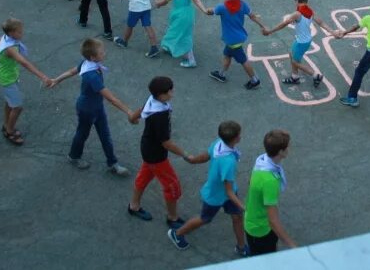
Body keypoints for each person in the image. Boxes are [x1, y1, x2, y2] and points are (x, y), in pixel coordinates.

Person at [51, 37, 137, 176]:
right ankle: (74, 156)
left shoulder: (86, 64)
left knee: (105, 135)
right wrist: (128, 111)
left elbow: (71, 72)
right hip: (88, 110)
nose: (105, 53)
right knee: (83, 133)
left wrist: (56, 80)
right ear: (93, 57)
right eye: (102, 52)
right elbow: (111, 98)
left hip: (95, 106)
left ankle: (112, 163)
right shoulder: (92, 76)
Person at [126, 76, 205, 225]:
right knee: (172, 186)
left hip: (148, 148)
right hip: (156, 155)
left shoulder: (153, 100)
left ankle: (134, 206)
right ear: (162, 95)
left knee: (144, 176)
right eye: (170, 90)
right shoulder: (159, 116)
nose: (172, 92)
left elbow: (141, 109)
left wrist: (132, 118)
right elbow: (166, 143)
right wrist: (186, 154)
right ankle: (172, 217)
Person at [167, 121, 249, 256]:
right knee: (205, 218)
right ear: (235, 139)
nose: (241, 136)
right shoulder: (228, 162)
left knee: (237, 217)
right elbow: (228, 191)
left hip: (224, 193)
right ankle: (177, 233)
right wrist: (244, 207)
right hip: (217, 196)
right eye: (239, 134)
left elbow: (206, 156)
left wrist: (192, 159)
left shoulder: (218, 143)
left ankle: (241, 247)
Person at [0, 18, 55, 145]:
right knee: (17, 107)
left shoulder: (5, 39)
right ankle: (10, 131)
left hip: (8, 76)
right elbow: (24, 63)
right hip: (8, 79)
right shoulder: (10, 48)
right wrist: (43, 77)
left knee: (9, 102)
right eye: (20, 32)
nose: (22, 34)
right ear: (11, 33)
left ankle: (6, 124)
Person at [243, 129, 297, 255]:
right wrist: (293, 246)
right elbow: (273, 221)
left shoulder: (261, 161)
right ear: (280, 152)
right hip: (261, 230)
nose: (289, 148)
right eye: (287, 147)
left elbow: (250, 182)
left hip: (252, 221)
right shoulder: (270, 181)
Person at [262, 0, 333, 86]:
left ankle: (316, 76)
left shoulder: (297, 14)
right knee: (292, 55)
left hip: (301, 42)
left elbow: (284, 24)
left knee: (295, 62)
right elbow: (321, 22)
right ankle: (294, 77)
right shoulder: (310, 11)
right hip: (305, 40)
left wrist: (270, 31)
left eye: (295, 0)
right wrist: (332, 31)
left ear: (297, 1)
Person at [206, 0, 264, 89]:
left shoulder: (222, 7)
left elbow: (211, 12)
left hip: (232, 40)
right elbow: (252, 16)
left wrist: (208, 10)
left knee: (243, 60)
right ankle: (221, 74)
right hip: (238, 37)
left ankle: (255, 80)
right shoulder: (243, 4)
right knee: (227, 54)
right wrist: (262, 26)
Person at [154, 0, 208, 68]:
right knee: (184, 34)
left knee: (177, 32)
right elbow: (197, 1)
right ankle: (168, 46)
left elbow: (165, 1)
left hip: (177, 15)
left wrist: (158, 3)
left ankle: (190, 59)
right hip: (187, 14)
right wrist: (204, 10)